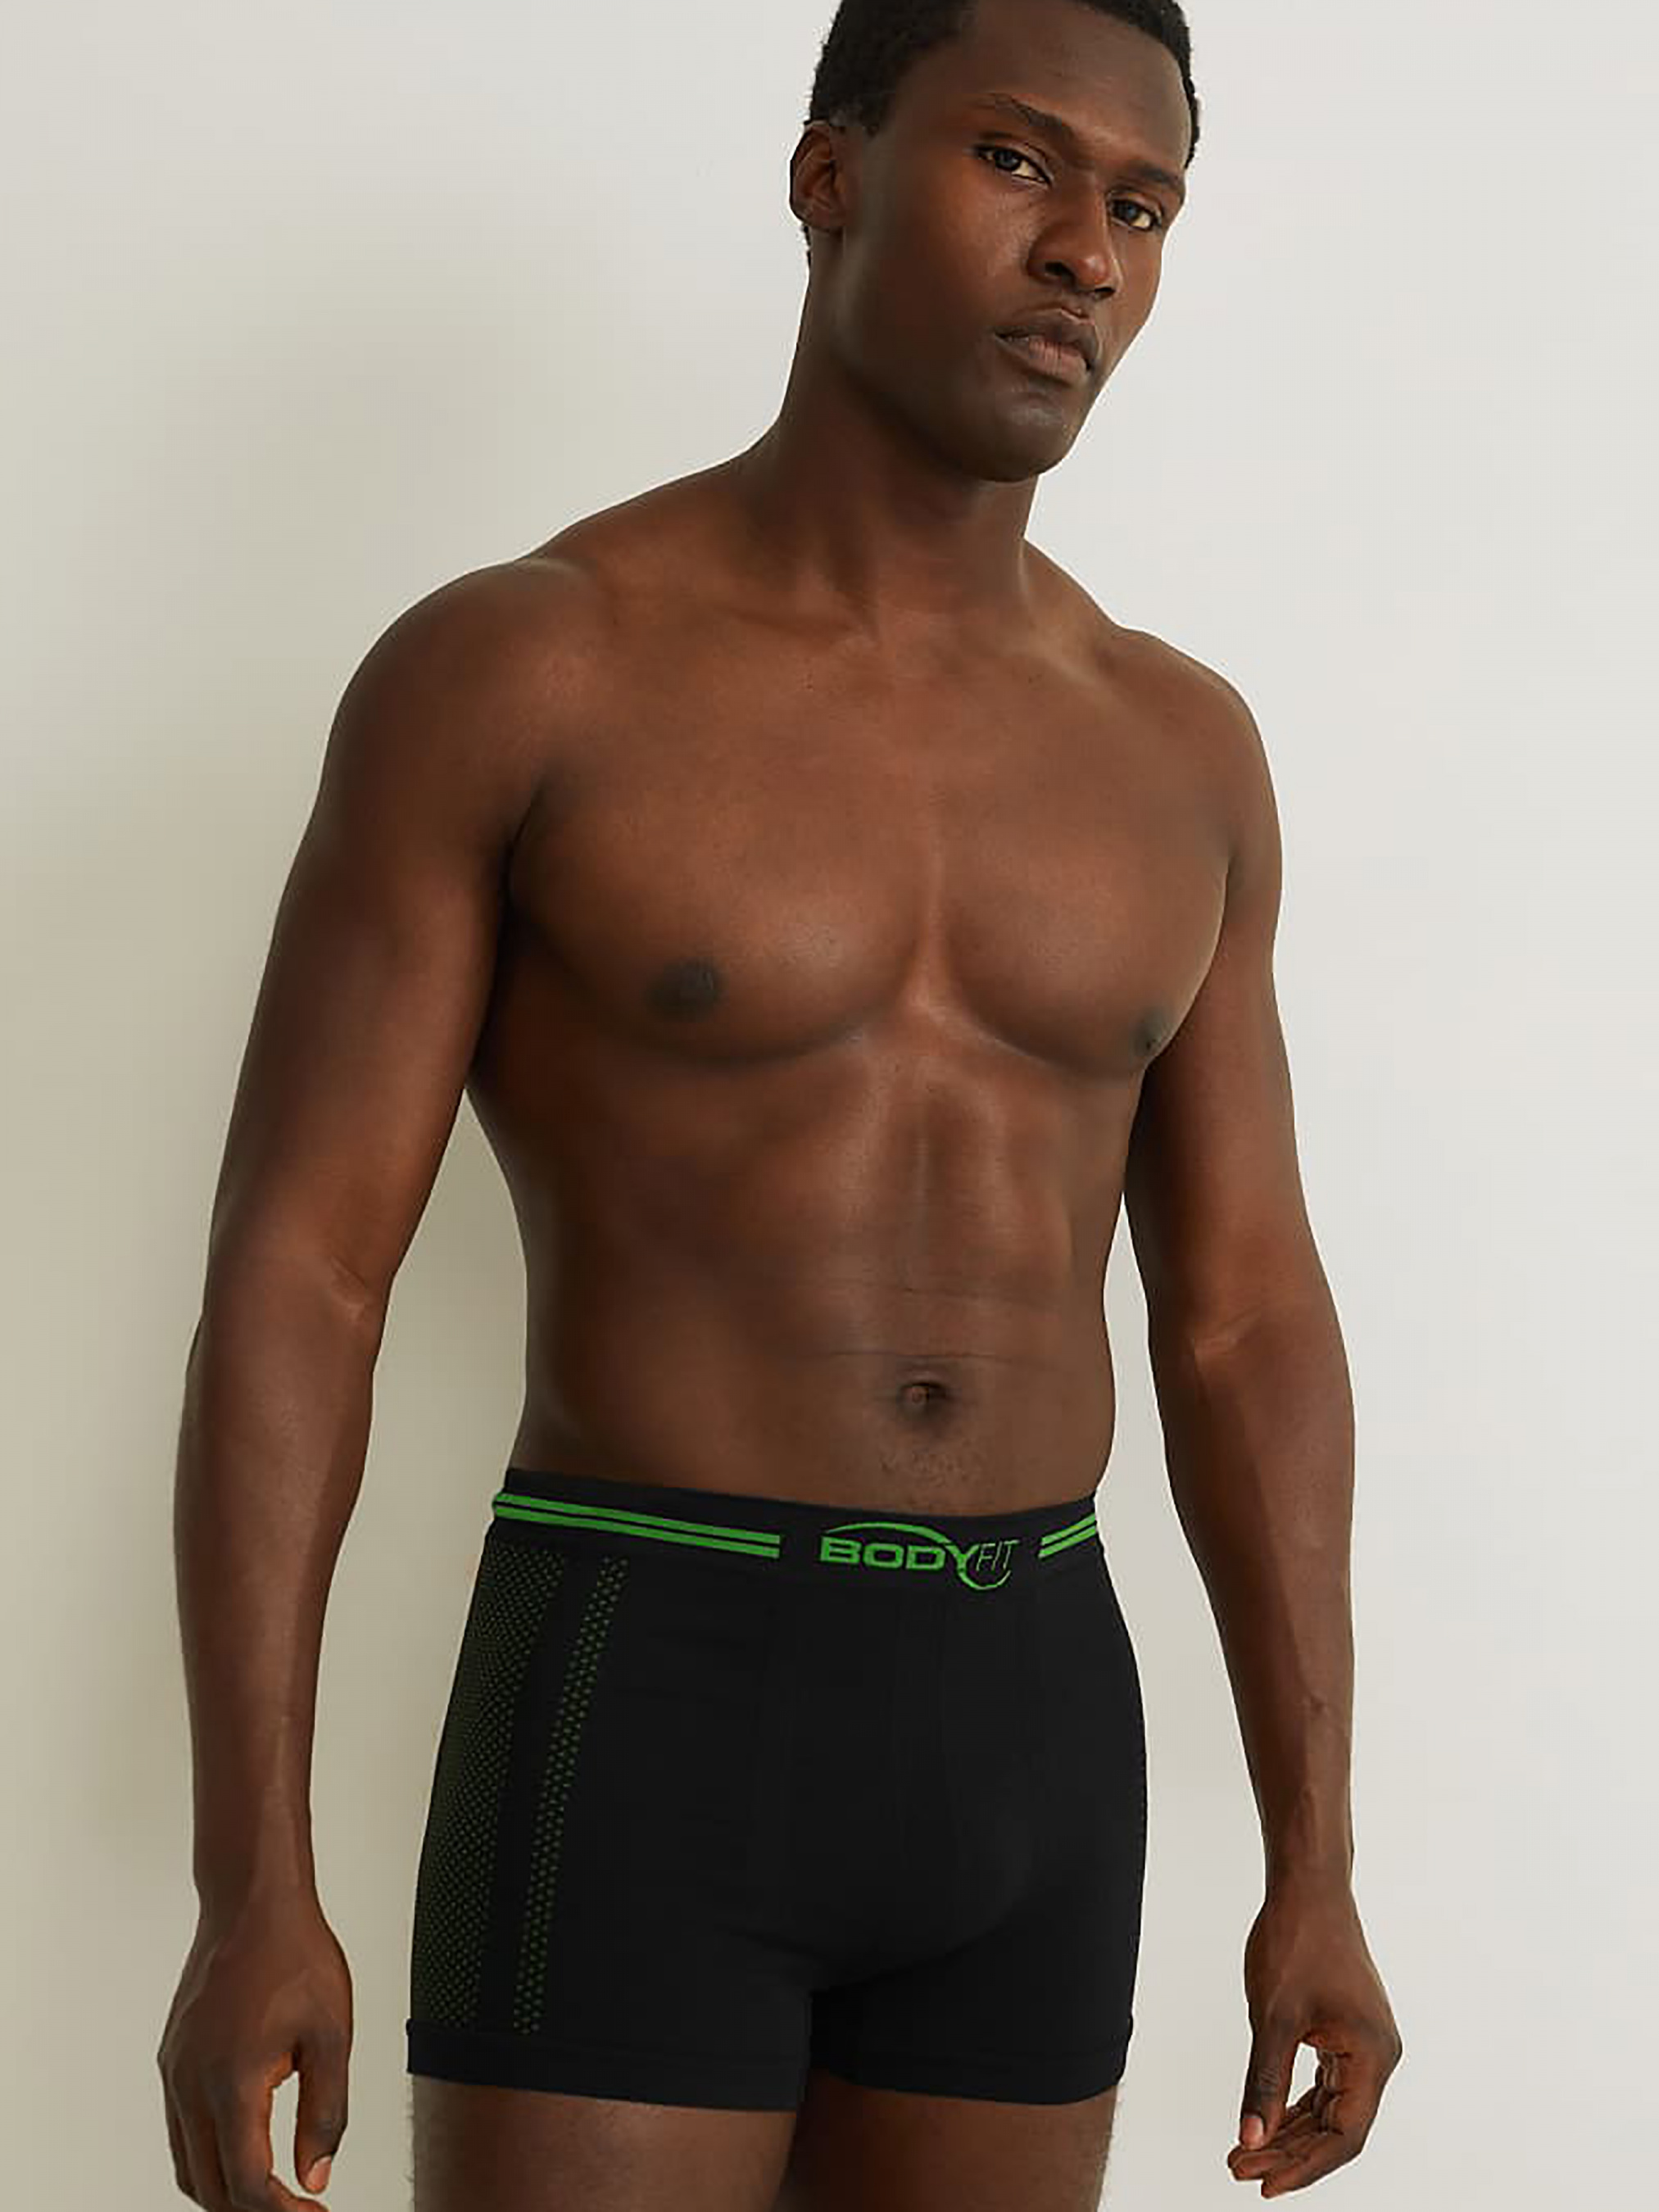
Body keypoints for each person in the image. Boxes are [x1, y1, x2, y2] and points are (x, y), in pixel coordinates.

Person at [156, 0, 1403, 2205]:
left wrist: (1319, 1856)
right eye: (1015, 161)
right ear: (829, 174)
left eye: (1142, 206)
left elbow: (1242, 1319)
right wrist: (249, 1874)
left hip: (1037, 1712)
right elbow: (304, 1274)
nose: (1086, 252)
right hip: (648, 1681)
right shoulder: (526, 665)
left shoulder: (1178, 747)